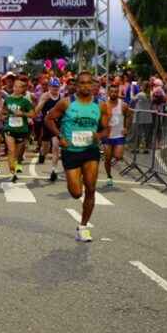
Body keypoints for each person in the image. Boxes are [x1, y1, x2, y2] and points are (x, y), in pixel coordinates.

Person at [45, 71, 109, 242]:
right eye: (82, 83)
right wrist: (60, 137)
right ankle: (77, 181)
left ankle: (83, 227)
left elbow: (105, 128)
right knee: (75, 193)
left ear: (94, 85)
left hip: (90, 150)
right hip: (71, 151)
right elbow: (49, 119)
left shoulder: (101, 105)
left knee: (91, 188)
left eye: (89, 83)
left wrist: (100, 136)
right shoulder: (66, 103)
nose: (86, 86)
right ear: (76, 85)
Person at [2, 77, 35, 183]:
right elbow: (4, 111)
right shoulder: (7, 99)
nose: (16, 88)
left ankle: (17, 164)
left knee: (18, 154)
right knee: (11, 151)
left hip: (21, 130)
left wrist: (23, 114)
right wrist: (3, 115)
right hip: (9, 128)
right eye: (15, 86)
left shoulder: (25, 101)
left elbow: (33, 114)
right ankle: (13, 173)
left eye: (19, 87)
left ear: (23, 89)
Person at [103, 84, 131, 187]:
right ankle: (109, 176)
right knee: (107, 158)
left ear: (118, 92)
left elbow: (129, 116)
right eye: (112, 92)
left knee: (118, 156)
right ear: (108, 93)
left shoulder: (123, 105)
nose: (114, 93)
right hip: (107, 135)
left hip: (119, 135)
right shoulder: (104, 105)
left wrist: (126, 127)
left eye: (116, 92)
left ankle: (112, 161)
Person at [35, 77, 62, 182]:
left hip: (57, 125)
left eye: (57, 87)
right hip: (46, 125)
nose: (55, 89)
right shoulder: (45, 96)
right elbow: (36, 111)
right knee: (45, 148)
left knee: (55, 146)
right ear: (49, 87)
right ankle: (42, 154)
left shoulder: (61, 97)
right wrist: (43, 102)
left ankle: (53, 171)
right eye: (53, 86)